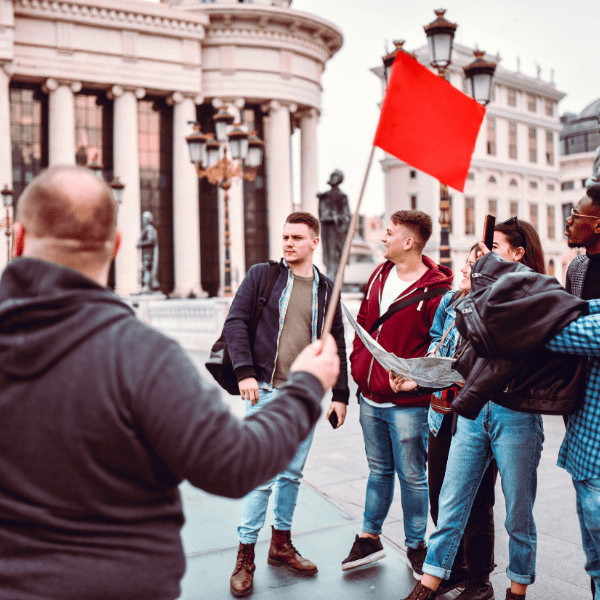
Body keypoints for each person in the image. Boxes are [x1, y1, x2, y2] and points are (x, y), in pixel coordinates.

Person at [0, 166, 341, 600]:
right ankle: (250, 552)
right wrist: (308, 387)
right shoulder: (143, 357)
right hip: (123, 584)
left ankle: (279, 543)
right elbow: (234, 465)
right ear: (117, 245)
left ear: (18, 237)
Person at [402, 218, 547, 600]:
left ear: (517, 255)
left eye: (492, 249)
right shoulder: (465, 297)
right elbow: (452, 341)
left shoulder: (531, 293)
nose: (481, 259)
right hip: (470, 411)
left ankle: (516, 590)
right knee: (450, 501)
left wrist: (487, 281)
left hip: (513, 413)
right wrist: (419, 373)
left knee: (518, 513)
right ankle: (430, 581)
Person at [223, 211, 349, 597]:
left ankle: (281, 544)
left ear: (315, 242)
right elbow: (235, 322)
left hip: (306, 395)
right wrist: (244, 372)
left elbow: (337, 343)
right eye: (285, 237)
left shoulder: (327, 289)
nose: (288, 243)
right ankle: (245, 554)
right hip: (264, 390)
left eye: (297, 237)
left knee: (292, 475)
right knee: (262, 476)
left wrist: (341, 394)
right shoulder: (264, 276)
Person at [342, 210, 453, 578]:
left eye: (388, 233)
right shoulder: (378, 273)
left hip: (408, 405)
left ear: (409, 242)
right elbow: (362, 321)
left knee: (412, 477)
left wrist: (414, 379)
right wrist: (359, 368)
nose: (382, 238)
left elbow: (441, 350)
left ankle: (416, 545)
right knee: (378, 471)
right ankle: (369, 536)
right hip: (370, 397)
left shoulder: (438, 290)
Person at [392, 244, 498, 599]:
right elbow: (436, 343)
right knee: (439, 496)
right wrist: (416, 375)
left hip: (475, 416)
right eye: (467, 263)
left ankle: (480, 580)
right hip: (441, 413)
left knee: (476, 501)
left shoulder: (491, 307)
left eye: (474, 265)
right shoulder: (449, 303)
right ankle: (454, 569)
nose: (466, 269)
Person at [556, 186, 600, 598]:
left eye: (576, 214)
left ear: (597, 223)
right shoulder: (579, 266)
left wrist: (536, 328)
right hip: (582, 410)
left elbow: (568, 331)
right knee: (590, 524)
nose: (569, 219)